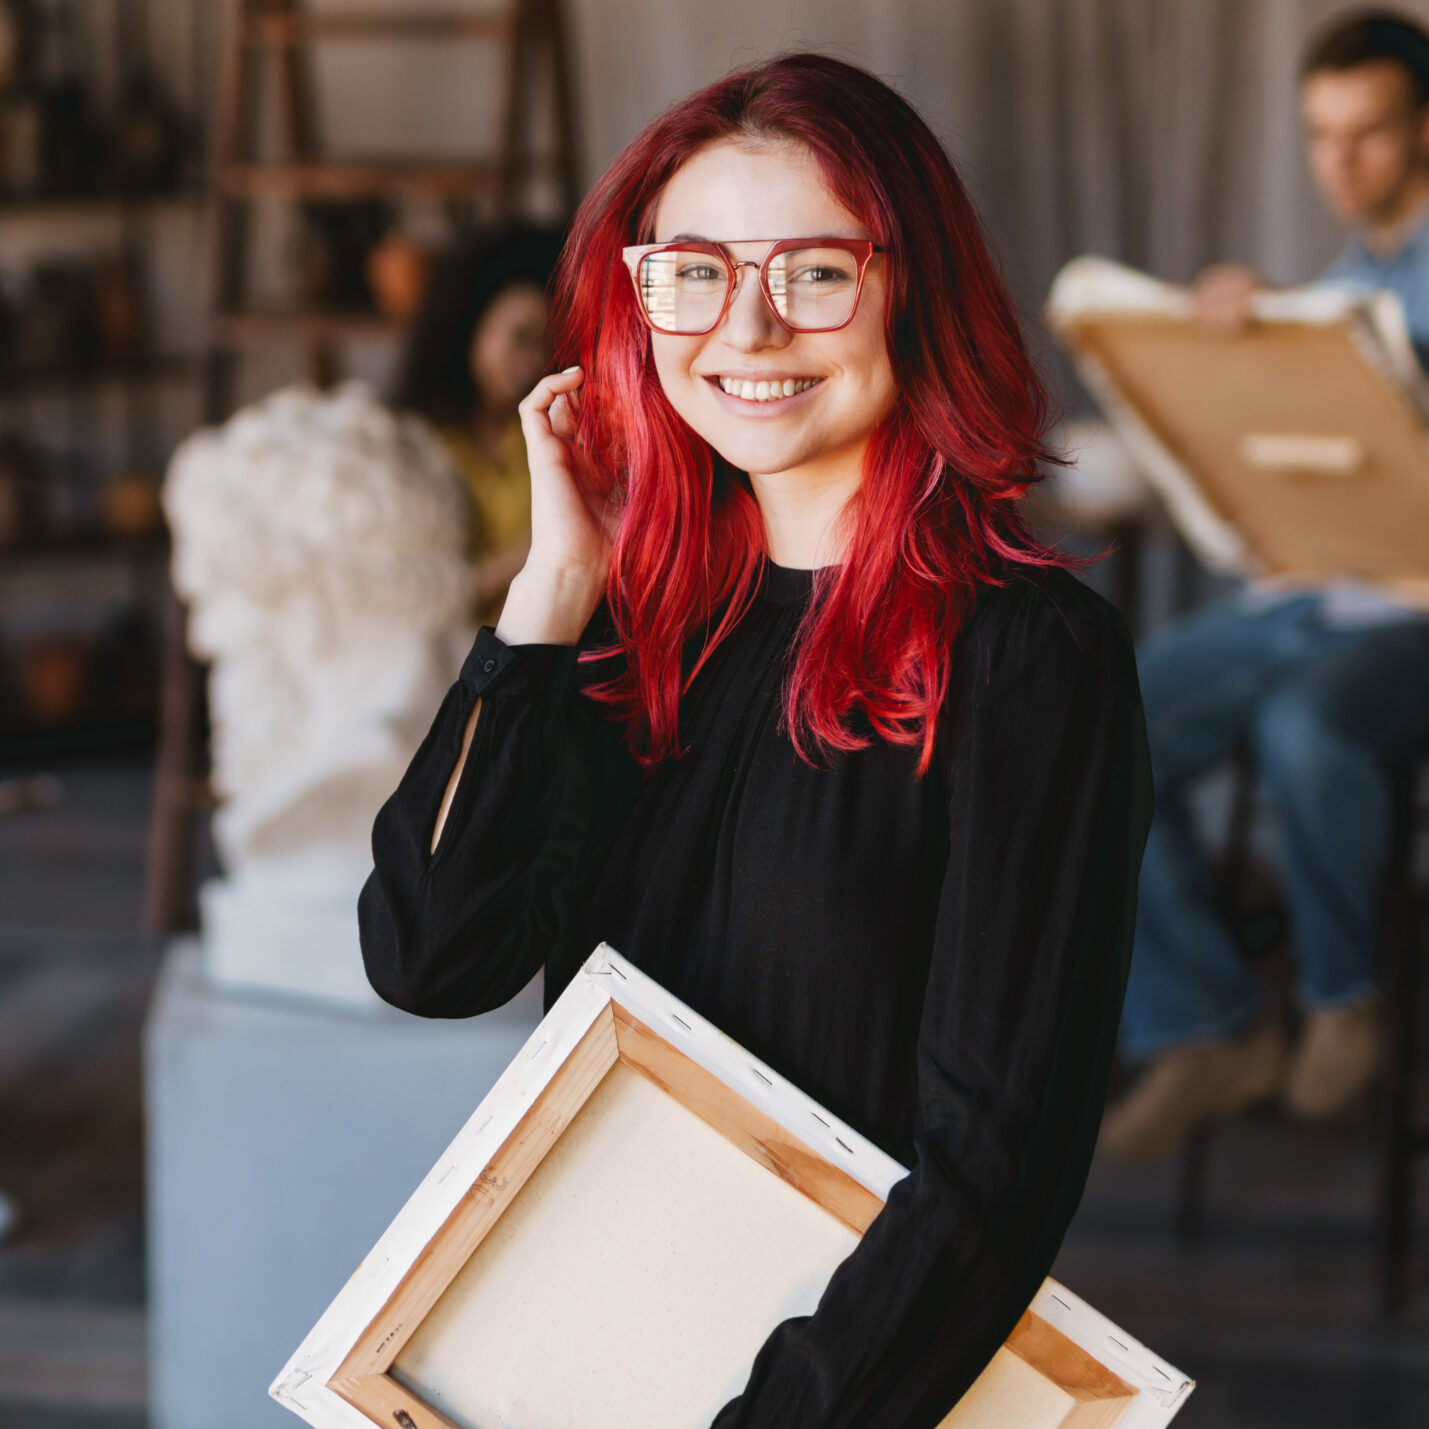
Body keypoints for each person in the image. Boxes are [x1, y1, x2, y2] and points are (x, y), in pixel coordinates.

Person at [360, 54, 1151, 1426]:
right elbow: (432, 957)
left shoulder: (1031, 664)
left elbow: (994, 1169)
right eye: (697, 272)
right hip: (593, 1354)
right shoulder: (630, 634)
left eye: (815, 274)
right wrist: (549, 594)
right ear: (640, 298)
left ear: (913, 292)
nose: (749, 328)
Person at [1101, 10, 1429, 1167]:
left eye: (1370, 133)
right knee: (1103, 722)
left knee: (1310, 723)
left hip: (1415, 608)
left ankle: (1344, 997)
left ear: (1423, 129)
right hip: (1316, 588)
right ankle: (1203, 1020)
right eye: (1320, 135)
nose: (1340, 161)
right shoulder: (1346, 278)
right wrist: (1242, 358)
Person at [390, 226, 563, 625]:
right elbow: (418, 593)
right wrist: (531, 555)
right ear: (472, 326)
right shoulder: (422, 445)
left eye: (547, 343)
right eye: (520, 336)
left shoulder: (542, 431)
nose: (532, 359)